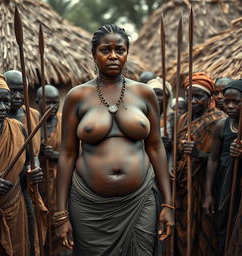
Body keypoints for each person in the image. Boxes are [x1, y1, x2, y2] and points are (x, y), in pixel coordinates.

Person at [54, 24, 174, 255]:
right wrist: (61, 213)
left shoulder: (145, 93)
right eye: (105, 50)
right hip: (90, 206)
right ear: (93, 53)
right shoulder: (77, 96)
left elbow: (156, 147)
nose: (113, 56)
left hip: (140, 200)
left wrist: (168, 203)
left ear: (127, 53)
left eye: (120, 50)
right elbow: (67, 153)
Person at [0, 73, 43, 255]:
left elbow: (31, 157)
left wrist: (33, 168)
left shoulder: (17, 128)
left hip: (15, 210)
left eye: (6, 101)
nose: (3, 107)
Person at [175, 72, 227, 255]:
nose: (193, 101)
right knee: (182, 230)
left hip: (205, 185)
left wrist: (198, 153)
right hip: (182, 185)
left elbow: (222, 160)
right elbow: (177, 150)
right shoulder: (183, 119)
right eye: (189, 97)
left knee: (203, 232)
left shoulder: (218, 120)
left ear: (209, 98)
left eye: (199, 96)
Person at [203, 79, 242, 255]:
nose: (230, 106)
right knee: (223, 226)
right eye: (227, 101)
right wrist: (209, 193)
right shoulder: (222, 126)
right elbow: (213, 159)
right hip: (224, 184)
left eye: (236, 102)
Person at [36, 85, 63, 254]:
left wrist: (54, 155)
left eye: (56, 102)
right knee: (40, 223)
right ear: (38, 102)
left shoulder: (65, 121)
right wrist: (39, 153)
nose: (52, 107)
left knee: (59, 220)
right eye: (48, 102)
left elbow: (77, 153)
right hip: (40, 184)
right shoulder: (32, 122)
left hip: (61, 181)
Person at [3, 70, 41, 159]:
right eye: (12, 91)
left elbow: (36, 152)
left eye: (21, 91)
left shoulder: (34, 115)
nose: (17, 96)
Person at [147, 77, 174, 155]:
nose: (155, 97)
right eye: (152, 94)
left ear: (167, 97)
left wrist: (170, 144)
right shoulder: (141, 117)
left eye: (160, 94)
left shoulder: (174, 118)